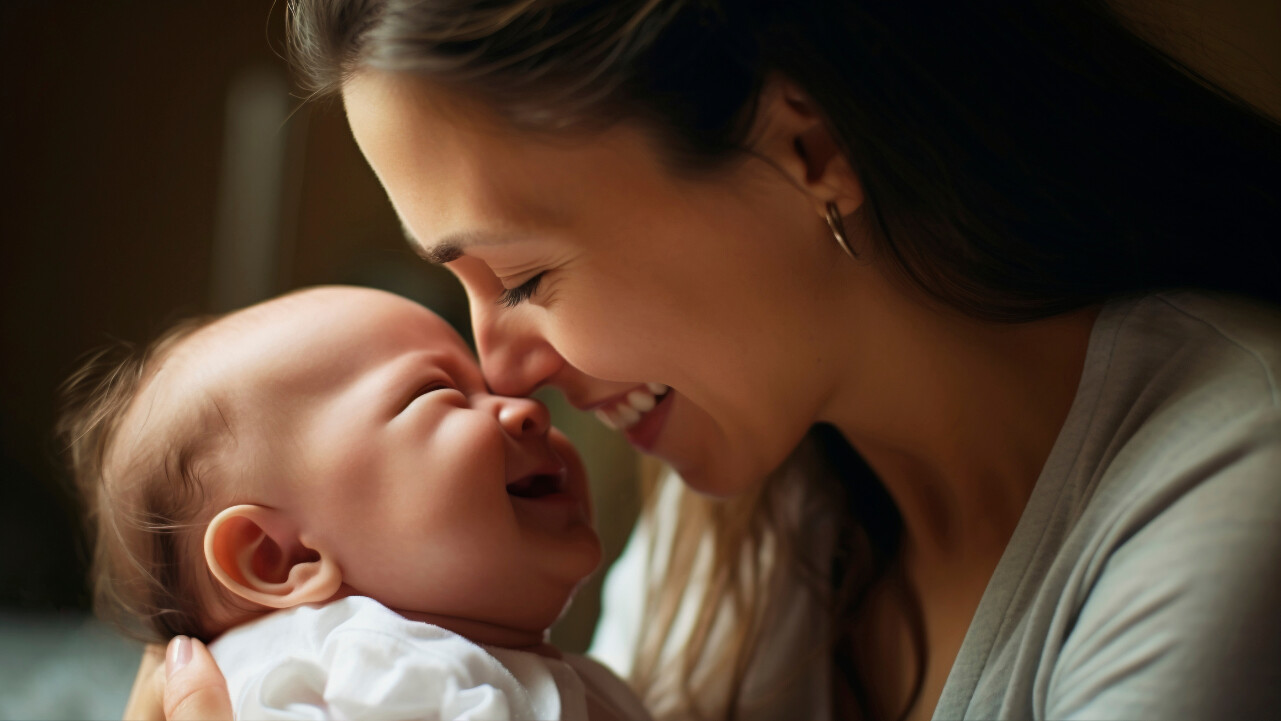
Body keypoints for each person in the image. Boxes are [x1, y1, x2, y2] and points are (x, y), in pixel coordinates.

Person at [130, 1, 1281, 720]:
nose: (504, 372)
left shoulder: (1226, 496)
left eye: (525, 279)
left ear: (806, 145)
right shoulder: (730, 507)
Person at [61, 286, 651, 721]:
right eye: (438, 392)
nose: (528, 409)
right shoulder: (363, 668)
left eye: (489, 391)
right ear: (279, 556)